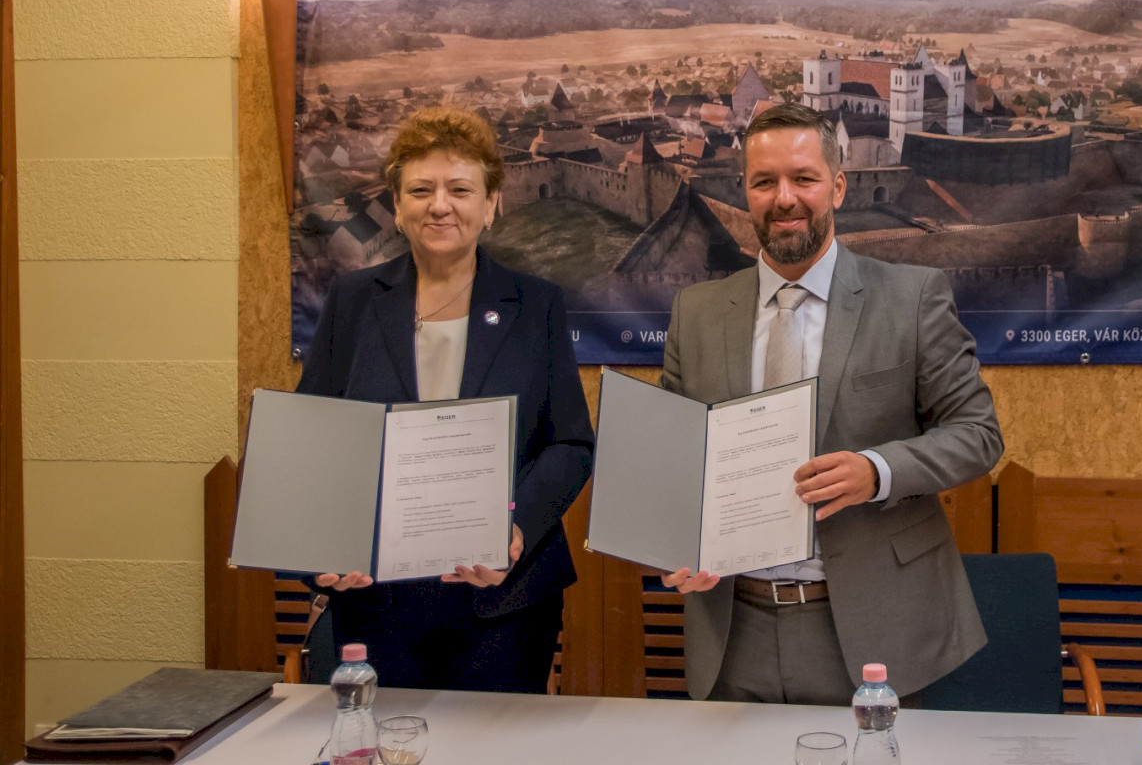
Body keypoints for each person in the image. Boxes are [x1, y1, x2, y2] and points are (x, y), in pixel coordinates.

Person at [660, 102, 1002, 705]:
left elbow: (978, 433)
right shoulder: (696, 313)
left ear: (838, 187)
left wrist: (877, 470)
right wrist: (670, 540)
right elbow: (672, 460)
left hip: (876, 631)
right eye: (764, 182)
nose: (784, 198)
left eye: (804, 178)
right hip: (732, 632)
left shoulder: (912, 298)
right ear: (745, 191)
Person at [298, 106, 594, 693]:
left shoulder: (536, 304)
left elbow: (570, 443)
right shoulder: (352, 301)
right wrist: (324, 547)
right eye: (421, 190)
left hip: (503, 603)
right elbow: (312, 437)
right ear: (397, 204)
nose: (440, 205)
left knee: (497, 742)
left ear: (491, 204)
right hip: (376, 602)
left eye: (460, 190)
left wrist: (516, 526)